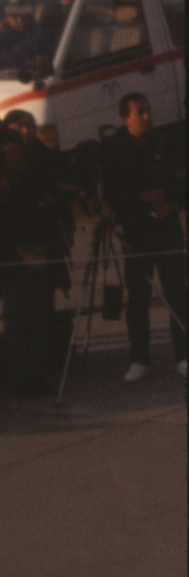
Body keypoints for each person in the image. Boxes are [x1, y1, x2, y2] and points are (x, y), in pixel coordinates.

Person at [99, 92, 186, 382]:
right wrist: (140, 198)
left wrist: (171, 203)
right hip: (136, 231)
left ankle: (183, 355)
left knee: (177, 292)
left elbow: (181, 181)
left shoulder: (166, 142)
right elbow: (111, 193)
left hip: (167, 227)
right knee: (138, 297)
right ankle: (139, 358)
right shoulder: (115, 150)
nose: (147, 116)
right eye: (140, 112)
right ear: (126, 118)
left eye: (148, 110)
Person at [0, 133, 71, 396]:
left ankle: (37, 376)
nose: (14, 156)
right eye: (8, 151)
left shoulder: (36, 178)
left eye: (17, 150)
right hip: (11, 263)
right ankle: (18, 378)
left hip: (39, 260)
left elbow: (49, 215)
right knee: (17, 322)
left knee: (39, 319)